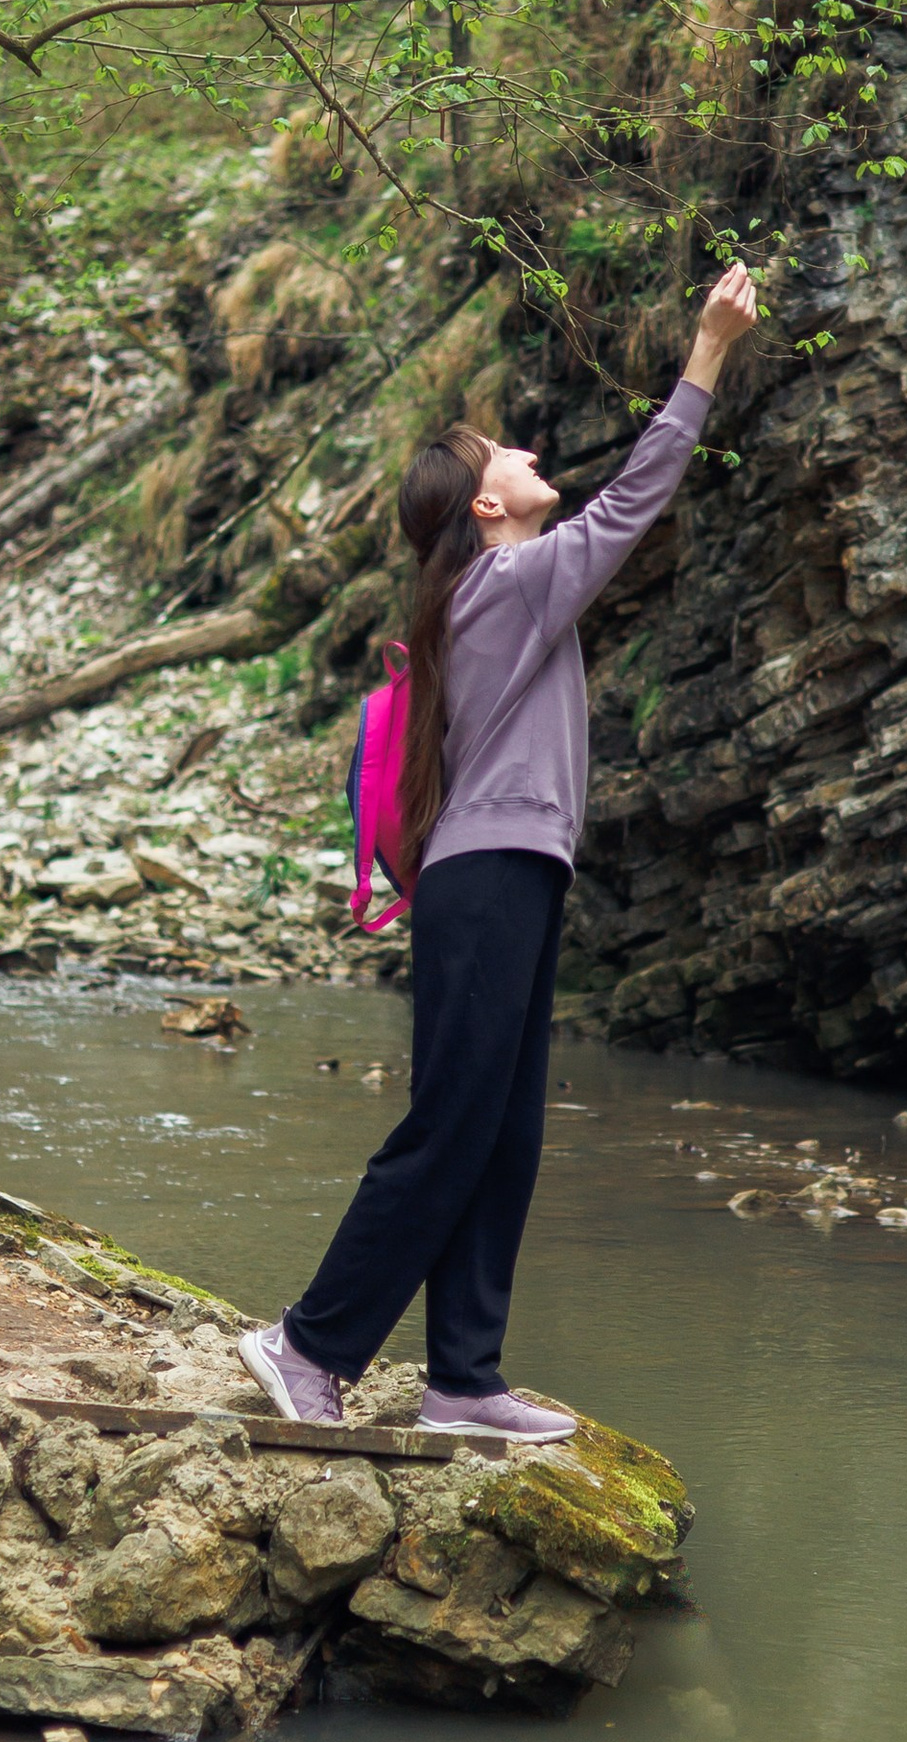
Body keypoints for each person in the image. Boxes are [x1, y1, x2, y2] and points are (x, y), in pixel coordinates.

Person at [241, 262, 761, 1441]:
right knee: (451, 1125)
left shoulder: (488, 595)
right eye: (505, 454)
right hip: (483, 881)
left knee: (503, 1133)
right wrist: (706, 351)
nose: (528, 453)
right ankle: (306, 1342)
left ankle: (461, 1380)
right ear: (485, 505)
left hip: (510, 875)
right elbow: (632, 502)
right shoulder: (510, 583)